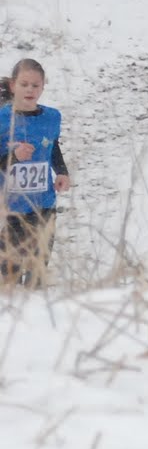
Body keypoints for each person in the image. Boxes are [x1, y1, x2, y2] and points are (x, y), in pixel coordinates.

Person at [2, 59, 71, 289]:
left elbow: (52, 145)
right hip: (10, 209)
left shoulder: (51, 117)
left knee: (36, 277)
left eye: (35, 85)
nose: (30, 90)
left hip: (43, 205)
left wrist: (61, 172)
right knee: (9, 281)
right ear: (13, 85)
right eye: (24, 84)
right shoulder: (2, 120)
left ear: (43, 87)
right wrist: (14, 157)